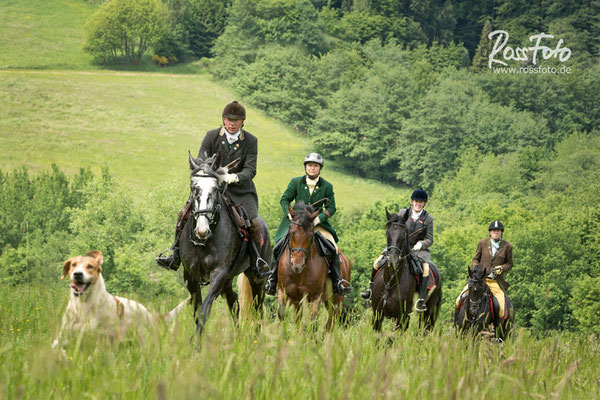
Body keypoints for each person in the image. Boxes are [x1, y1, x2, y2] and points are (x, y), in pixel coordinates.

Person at [156, 100, 268, 275]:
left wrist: (234, 177)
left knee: (253, 222)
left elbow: (251, 169)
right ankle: (174, 255)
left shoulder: (251, 141)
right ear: (223, 120)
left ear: (242, 121)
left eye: (236, 120)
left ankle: (256, 262)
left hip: (239, 190)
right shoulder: (211, 136)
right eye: (229, 119)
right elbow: (201, 161)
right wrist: (213, 175)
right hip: (210, 187)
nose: (232, 123)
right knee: (183, 214)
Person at [265, 153, 352, 296]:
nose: (312, 168)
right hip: (297, 224)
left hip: (316, 225)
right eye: (310, 165)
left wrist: (320, 218)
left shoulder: (327, 186)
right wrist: (288, 213)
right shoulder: (295, 182)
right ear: (306, 167)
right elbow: (284, 200)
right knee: (278, 246)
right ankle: (272, 281)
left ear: (320, 168)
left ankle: (337, 282)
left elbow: (332, 207)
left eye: (315, 166)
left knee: (334, 249)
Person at [360, 188, 434, 312]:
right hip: (398, 245)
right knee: (377, 263)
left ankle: (421, 299)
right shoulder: (403, 212)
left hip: (418, 249)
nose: (418, 204)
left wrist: (422, 244)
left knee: (425, 270)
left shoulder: (428, 219)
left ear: (424, 204)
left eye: (421, 202)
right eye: (416, 201)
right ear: (412, 201)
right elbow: (395, 229)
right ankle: (370, 290)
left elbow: (430, 239)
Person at [455, 220, 513, 319]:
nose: (496, 232)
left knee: (501, 308)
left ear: (501, 232)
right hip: (479, 280)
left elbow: (510, 264)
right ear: (490, 232)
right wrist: (476, 269)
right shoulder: (482, 243)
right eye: (494, 230)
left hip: (495, 281)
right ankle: (456, 324)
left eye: (498, 230)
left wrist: (501, 268)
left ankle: (498, 329)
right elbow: (475, 259)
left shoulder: (507, 246)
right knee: (458, 300)